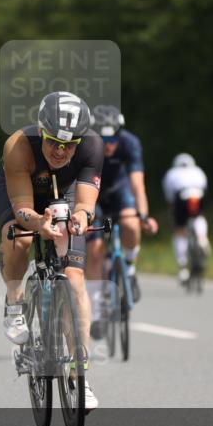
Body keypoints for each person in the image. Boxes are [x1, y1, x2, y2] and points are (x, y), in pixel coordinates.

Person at [0, 91, 102, 410]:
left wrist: (81, 219)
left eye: (69, 145)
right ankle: (15, 302)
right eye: (54, 141)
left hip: (66, 193)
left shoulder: (92, 145)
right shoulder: (18, 145)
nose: (60, 150)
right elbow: (23, 210)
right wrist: (39, 222)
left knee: (75, 279)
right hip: (24, 193)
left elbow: (85, 204)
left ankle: (78, 375)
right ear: (41, 131)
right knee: (21, 239)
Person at [84, 105, 158, 339]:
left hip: (118, 190)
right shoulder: (85, 144)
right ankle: (96, 310)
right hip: (92, 193)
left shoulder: (130, 143)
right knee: (94, 249)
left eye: (113, 137)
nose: (109, 144)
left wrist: (143, 215)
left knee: (131, 224)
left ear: (120, 134)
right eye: (103, 138)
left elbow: (137, 185)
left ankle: (129, 266)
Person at [162, 153, 209, 284]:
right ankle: (202, 237)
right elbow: (205, 188)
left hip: (182, 196)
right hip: (199, 195)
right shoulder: (198, 171)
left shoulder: (171, 173)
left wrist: (172, 210)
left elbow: (170, 197)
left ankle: (182, 267)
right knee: (199, 217)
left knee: (180, 230)